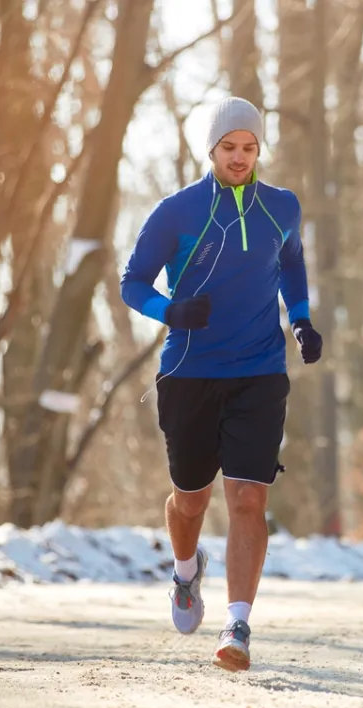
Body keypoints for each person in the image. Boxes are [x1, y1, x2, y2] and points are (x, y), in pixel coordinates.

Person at [120, 96, 323, 673]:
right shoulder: (178, 211)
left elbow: (290, 263)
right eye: (230, 147)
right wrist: (171, 311)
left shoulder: (282, 206)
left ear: (261, 150)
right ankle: (186, 573)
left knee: (249, 497)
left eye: (250, 147)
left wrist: (302, 318)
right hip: (189, 372)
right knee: (190, 500)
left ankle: (238, 625)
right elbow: (132, 282)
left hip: (259, 370)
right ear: (211, 150)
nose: (240, 157)